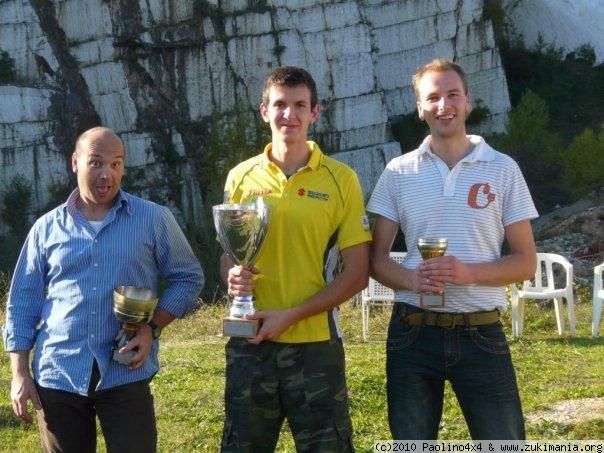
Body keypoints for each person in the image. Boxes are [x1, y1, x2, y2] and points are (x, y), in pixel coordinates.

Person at [367, 59, 538, 440]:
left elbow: (526, 262)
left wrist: (469, 274)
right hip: (412, 333)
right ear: (420, 108)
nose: (443, 105)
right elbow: (376, 260)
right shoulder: (398, 171)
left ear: (468, 102)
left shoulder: (503, 168)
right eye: (433, 97)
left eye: (452, 95)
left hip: (481, 331)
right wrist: (412, 278)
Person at [3, 126, 204, 452]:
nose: (106, 174)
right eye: (95, 163)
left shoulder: (153, 219)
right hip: (58, 375)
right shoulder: (45, 229)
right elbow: (21, 304)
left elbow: (188, 277)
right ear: (75, 162)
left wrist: (152, 328)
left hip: (125, 373)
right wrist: (20, 373)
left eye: (116, 164)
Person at [220, 66, 371, 451]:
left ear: (314, 112)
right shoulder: (240, 177)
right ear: (264, 111)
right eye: (280, 105)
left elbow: (356, 274)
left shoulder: (341, 179)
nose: (289, 114)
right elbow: (229, 254)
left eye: (299, 105)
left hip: (315, 345)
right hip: (249, 340)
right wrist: (232, 277)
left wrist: (291, 316)